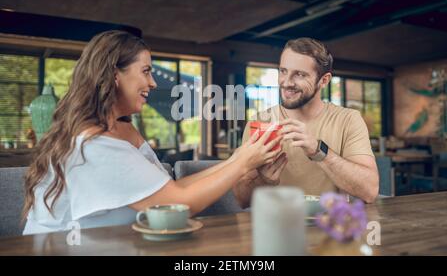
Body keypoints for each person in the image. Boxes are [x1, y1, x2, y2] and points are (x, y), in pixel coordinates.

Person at [22, 30, 281, 234]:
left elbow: (169, 189)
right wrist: (244, 162)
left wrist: (237, 159)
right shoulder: (94, 143)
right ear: (115, 75)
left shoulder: (123, 129)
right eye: (145, 71)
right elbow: (176, 204)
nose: (153, 82)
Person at [233, 37, 379, 208]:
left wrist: (319, 151)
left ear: (324, 80)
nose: (286, 82)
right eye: (283, 71)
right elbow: (240, 200)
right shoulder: (260, 122)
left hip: (329, 228)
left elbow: (369, 191)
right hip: (275, 226)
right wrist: (263, 180)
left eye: (300, 74)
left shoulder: (348, 119)